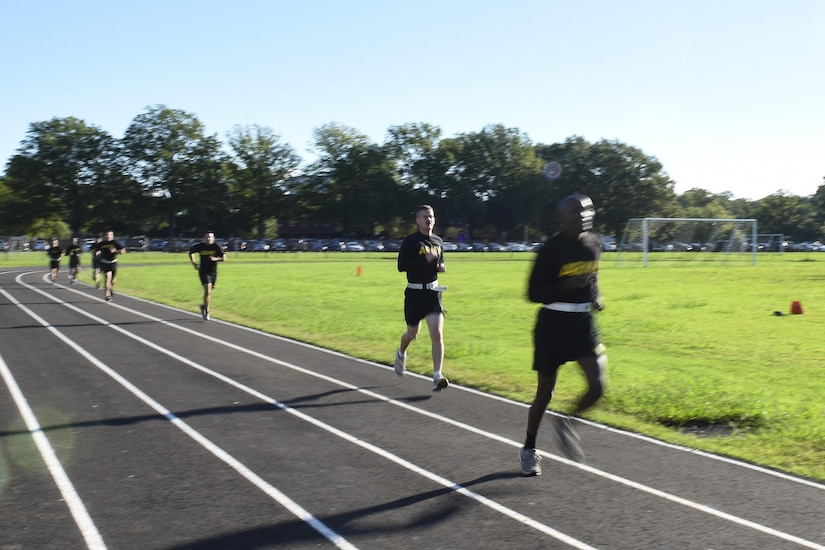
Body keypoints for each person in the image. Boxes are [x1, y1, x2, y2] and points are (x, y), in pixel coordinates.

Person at [519, 194, 607, 476]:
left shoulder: (595, 244)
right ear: (563, 217)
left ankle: (568, 422)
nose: (586, 214)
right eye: (579, 211)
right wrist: (566, 285)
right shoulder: (551, 249)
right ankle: (529, 448)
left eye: (589, 209)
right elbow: (533, 293)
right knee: (545, 393)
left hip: (582, 322)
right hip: (552, 323)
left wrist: (596, 296)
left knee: (598, 385)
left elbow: (593, 279)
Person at [394, 204, 449, 391]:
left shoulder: (438, 241)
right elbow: (401, 266)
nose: (429, 219)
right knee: (412, 334)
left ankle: (437, 376)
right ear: (417, 220)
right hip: (414, 293)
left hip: (433, 293)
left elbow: (439, 263)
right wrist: (424, 260)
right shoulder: (411, 241)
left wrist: (440, 267)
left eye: (431, 216)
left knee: (437, 333)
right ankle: (401, 353)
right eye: (425, 216)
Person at [188, 232, 226, 320]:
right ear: (204, 238)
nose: (208, 239)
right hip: (203, 271)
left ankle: (204, 306)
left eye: (210, 237)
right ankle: (207, 312)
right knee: (208, 290)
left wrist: (215, 258)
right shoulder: (200, 246)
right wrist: (194, 263)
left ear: (213, 238)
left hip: (213, 272)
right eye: (207, 237)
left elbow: (224, 258)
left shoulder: (216, 247)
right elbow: (190, 252)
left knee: (209, 292)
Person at [96, 230, 125, 301]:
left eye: (109, 235)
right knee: (107, 279)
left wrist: (116, 251)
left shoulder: (115, 243)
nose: (108, 236)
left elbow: (123, 251)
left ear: (112, 236)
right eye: (106, 235)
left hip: (113, 262)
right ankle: (107, 295)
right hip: (105, 262)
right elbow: (96, 250)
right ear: (105, 236)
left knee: (112, 280)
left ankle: (111, 288)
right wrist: (97, 253)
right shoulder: (102, 243)